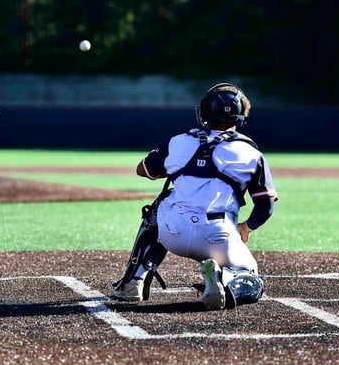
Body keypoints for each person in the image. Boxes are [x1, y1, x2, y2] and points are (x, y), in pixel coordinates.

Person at [111, 82, 278, 310]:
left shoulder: (179, 141)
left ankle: (133, 281)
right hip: (218, 237)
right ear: (241, 117)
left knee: (160, 205)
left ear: (206, 112)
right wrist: (246, 228)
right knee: (251, 279)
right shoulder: (251, 153)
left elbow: (143, 170)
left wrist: (181, 168)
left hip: (172, 232)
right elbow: (266, 207)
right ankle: (225, 281)